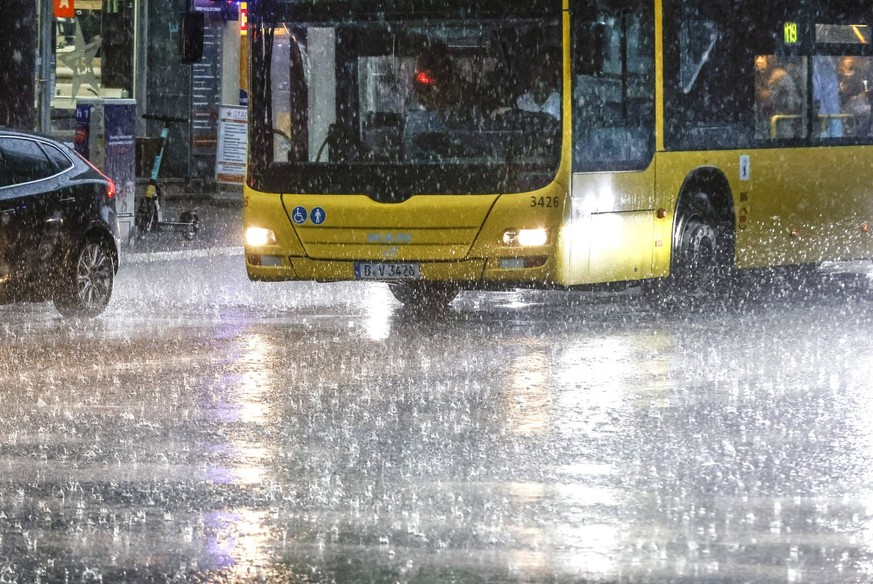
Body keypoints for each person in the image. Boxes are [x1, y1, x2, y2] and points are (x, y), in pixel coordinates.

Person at [755, 55, 803, 138]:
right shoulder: (772, 75)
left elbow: (768, 98)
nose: (760, 61)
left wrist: (758, 90)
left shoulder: (778, 75)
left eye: (764, 57)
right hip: (777, 121)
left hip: (781, 123)